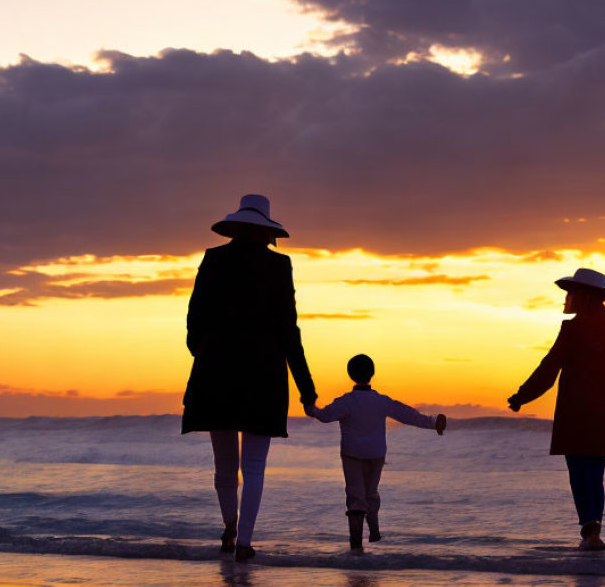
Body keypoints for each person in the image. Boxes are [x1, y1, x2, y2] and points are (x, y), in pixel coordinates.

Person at [181, 194, 318, 562]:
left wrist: (206, 353)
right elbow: (290, 331)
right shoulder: (279, 266)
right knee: (253, 467)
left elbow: (194, 320)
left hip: (215, 374)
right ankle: (244, 542)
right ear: (266, 231)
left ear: (236, 227)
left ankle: (229, 529)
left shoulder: (213, 259)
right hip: (264, 378)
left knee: (224, 466)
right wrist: (307, 390)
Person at [507, 268, 605, 551]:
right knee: (595, 475)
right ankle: (594, 533)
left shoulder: (572, 329)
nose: (566, 299)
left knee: (579, 475)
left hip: (577, 412)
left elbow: (549, 367)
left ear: (582, 297)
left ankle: (590, 532)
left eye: (570, 293)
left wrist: (522, 396)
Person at [305, 354, 446, 552]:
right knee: (371, 492)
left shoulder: (347, 401)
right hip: (376, 454)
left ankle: (356, 547)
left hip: (352, 453)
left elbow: (325, 416)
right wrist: (432, 422)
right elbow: (406, 415)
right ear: (372, 374)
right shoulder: (381, 401)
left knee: (355, 495)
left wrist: (311, 409)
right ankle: (374, 529)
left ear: (350, 374)